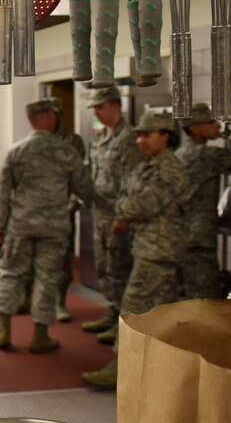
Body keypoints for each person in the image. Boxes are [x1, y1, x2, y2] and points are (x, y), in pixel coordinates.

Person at [83, 111, 189, 389]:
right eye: (139, 135)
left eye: (147, 135)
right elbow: (126, 195)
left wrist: (123, 209)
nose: (140, 140)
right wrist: (125, 207)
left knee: (133, 307)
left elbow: (140, 205)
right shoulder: (148, 165)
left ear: (165, 136)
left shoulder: (169, 169)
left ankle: (122, 367)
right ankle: (161, 369)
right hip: (146, 246)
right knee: (160, 311)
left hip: (159, 250)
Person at [0, 99, 93, 353]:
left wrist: (0, 224)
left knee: (11, 273)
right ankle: (40, 334)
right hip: (55, 228)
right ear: (49, 117)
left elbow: (2, 192)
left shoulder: (16, 151)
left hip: (20, 225)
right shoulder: (66, 152)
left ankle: (3, 330)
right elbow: (85, 189)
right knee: (47, 278)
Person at [82, 86, 143, 346]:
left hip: (119, 214)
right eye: (94, 107)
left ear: (115, 105)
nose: (96, 112)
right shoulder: (99, 137)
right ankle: (111, 310)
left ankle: (124, 322)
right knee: (104, 267)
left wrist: (124, 215)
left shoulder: (129, 138)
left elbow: (134, 179)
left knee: (120, 269)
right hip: (100, 212)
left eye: (99, 106)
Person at [175, 102, 231, 300]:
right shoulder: (204, 155)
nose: (217, 126)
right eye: (210, 122)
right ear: (194, 128)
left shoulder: (178, 154)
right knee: (203, 297)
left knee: (182, 295)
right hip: (199, 238)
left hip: (179, 235)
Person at [50, 97, 86, 322]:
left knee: (63, 258)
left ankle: (59, 302)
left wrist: (72, 203)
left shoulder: (73, 141)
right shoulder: (35, 141)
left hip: (63, 210)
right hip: (36, 211)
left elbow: (79, 176)